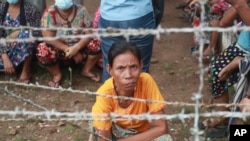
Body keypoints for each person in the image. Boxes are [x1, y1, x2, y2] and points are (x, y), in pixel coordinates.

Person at [90, 41, 172, 141]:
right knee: (98, 123)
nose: (128, 75)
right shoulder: (104, 94)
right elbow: (104, 138)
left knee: (165, 139)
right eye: (120, 68)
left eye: (133, 67)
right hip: (113, 132)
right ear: (109, 70)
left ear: (141, 65)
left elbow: (162, 128)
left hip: (139, 133)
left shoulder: (146, 81)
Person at [199, 0, 250, 137]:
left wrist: (240, 4)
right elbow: (224, 22)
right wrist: (239, 4)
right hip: (241, 47)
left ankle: (236, 131)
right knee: (216, 72)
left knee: (245, 103)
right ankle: (224, 117)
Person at [36, 0, 101, 87]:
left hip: (80, 49)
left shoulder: (81, 10)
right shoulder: (49, 13)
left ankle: (86, 70)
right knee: (43, 49)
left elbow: (89, 34)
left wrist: (77, 47)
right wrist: (69, 50)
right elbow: (48, 38)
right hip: (59, 52)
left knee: (98, 41)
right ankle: (57, 74)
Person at [99, 0, 156, 82]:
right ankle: (139, 93)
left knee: (110, 67)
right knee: (140, 69)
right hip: (139, 14)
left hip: (109, 14)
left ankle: (108, 94)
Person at [0, 0, 41, 84]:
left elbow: (37, 32)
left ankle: (25, 71)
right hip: (2, 49)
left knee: (28, 34)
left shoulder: (30, 9)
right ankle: (6, 66)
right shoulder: (1, 8)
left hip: (21, 51)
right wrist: (4, 56)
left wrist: (20, 31)